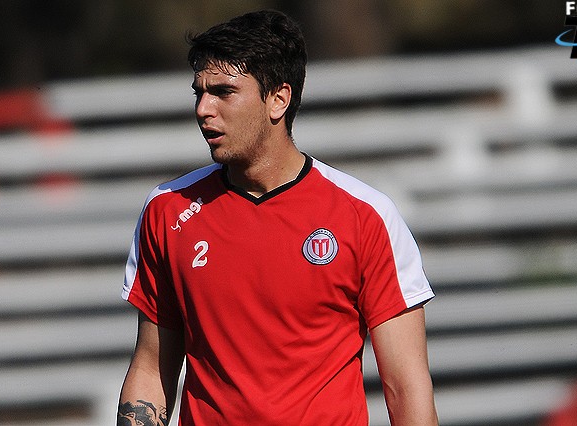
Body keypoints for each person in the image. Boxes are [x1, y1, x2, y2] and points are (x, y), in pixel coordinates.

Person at [118, 9, 438, 426]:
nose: (203, 109)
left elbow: (405, 387)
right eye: (199, 93)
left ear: (278, 99)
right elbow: (151, 368)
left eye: (223, 92)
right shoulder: (167, 210)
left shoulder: (366, 216)